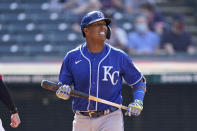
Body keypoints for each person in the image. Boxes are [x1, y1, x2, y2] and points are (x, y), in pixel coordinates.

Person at [56, 11, 146, 131]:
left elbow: (138, 82)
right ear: (86, 30)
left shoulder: (119, 56)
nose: (103, 27)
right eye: (97, 24)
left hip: (110, 117)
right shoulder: (72, 57)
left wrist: (138, 101)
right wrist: (62, 92)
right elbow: (62, 86)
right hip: (81, 118)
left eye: (104, 24)